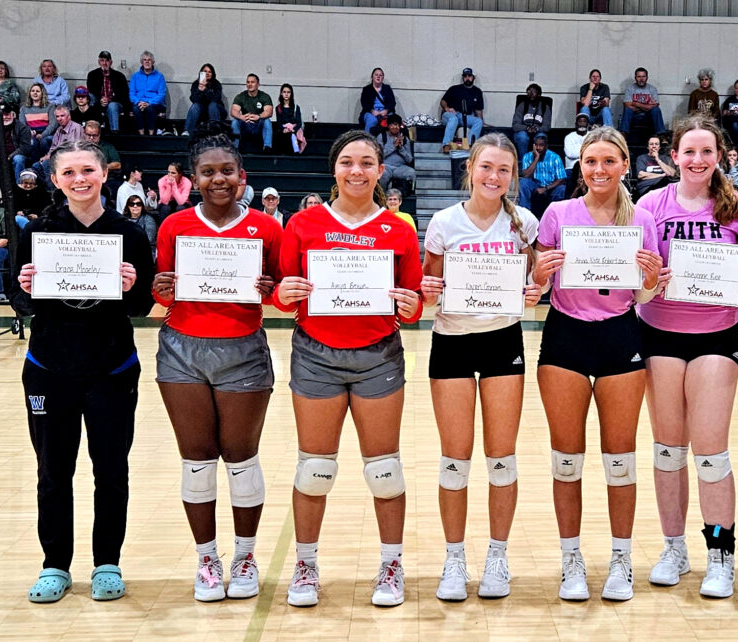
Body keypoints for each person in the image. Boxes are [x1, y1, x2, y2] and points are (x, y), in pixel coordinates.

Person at [274, 130, 423, 608]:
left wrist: (410, 304)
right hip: (316, 352)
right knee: (314, 468)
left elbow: (414, 304)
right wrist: (284, 295)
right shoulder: (303, 223)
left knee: (385, 471)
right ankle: (306, 565)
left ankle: (391, 565)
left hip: (378, 354)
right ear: (334, 169)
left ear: (381, 171)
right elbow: (279, 292)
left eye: (366, 163)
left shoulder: (399, 228)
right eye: (347, 162)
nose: (356, 171)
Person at [14, 138, 155, 603]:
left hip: (112, 369)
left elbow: (141, 304)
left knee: (111, 471)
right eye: (69, 172)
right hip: (49, 367)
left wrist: (134, 287)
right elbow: (22, 301)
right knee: (53, 471)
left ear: (104, 175)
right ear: (55, 180)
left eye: (87, 171)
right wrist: (26, 286)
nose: (80, 180)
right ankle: (55, 565)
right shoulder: (39, 231)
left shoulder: (130, 234)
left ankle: (107, 563)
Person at [152, 123, 284, 602]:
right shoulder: (174, 226)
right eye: (208, 172)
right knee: (197, 461)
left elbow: (286, 295)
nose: (219, 179)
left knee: (241, 459)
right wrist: (159, 289)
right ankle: (207, 558)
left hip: (243, 348)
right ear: (194, 179)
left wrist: (273, 291)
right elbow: (161, 288)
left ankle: (244, 555)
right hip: (182, 349)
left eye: (227, 170)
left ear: (242, 175)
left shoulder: (267, 228)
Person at [531, 127, 662, 602]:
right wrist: (539, 273)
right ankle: (571, 561)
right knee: (566, 461)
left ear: (625, 165)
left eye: (609, 161)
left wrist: (650, 279)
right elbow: (539, 288)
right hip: (565, 337)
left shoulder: (642, 219)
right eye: (591, 161)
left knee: (620, 460)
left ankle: (622, 561)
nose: (600, 170)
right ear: (579, 166)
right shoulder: (558, 213)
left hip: (620, 337)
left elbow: (647, 295)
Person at [635, 115, 738, 599]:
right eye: (688, 151)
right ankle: (674, 548)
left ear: (721, 156)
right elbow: (637, 282)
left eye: (707, 152)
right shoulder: (649, 205)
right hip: (660, 335)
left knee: (710, 454)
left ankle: (720, 556)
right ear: (672, 155)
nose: (697, 160)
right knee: (668, 451)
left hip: (715, 337)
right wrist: (650, 280)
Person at [420, 133, 542, 601]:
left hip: (502, 342)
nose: (494, 177)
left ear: (513, 176)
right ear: (470, 167)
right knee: (455, 461)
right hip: (451, 343)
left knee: (501, 458)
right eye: (487, 167)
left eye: (504, 170)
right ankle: (454, 560)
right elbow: (431, 285)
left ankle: (497, 556)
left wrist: (535, 292)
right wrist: (430, 292)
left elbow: (533, 284)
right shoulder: (444, 222)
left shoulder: (523, 223)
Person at [34, 105, 84, 190]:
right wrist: (47, 156)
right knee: (36, 166)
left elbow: (75, 148)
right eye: (57, 116)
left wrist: (52, 157)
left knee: (47, 164)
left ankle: (54, 192)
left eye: (62, 116)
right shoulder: (58, 130)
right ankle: (50, 189)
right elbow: (53, 147)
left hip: (71, 159)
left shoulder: (77, 128)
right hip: (57, 158)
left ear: (68, 116)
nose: (59, 119)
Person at [518, 132, 566, 213]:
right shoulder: (527, 156)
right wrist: (536, 158)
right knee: (523, 183)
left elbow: (561, 179)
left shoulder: (555, 157)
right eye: (536, 145)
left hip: (550, 186)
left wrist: (545, 188)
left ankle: (557, 214)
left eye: (541, 145)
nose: (538, 148)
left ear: (546, 146)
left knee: (561, 189)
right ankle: (525, 214)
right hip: (535, 186)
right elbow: (526, 175)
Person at [440, 68, 484, 153]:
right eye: (465, 76)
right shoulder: (454, 89)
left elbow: (479, 111)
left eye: (469, 76)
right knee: (453, 119)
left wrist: (482, 122)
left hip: (464, 117)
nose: (467, 78)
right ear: (463, 78)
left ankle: (471, 145)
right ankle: (446, 145)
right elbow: (443, 101)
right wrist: (447, 108)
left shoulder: (477, 92)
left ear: (473, 77)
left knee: (478, 121)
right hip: (450, 114)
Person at [86, 51, 130, 132]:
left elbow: (123, 94)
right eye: (102, 60)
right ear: (99, 62)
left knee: (112, 106)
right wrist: (101, 99)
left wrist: (109, 100)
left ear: (111, 62)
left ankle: (115, 134)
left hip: (115, 103)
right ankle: (91, 131)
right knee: (90, 97)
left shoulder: (119, 76)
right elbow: (92, 90)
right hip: (98, 102)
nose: (104, 63)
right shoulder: (92, 75)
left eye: (107, 60)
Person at [0, 103, 32, 180]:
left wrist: (9, 157)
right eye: (3, 115)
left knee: (18, 159)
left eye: (8, 114)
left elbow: (25, 147)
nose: (5, 117)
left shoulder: (22, 127)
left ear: (13, 115)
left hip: (15, 156)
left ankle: (19, 186)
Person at [231, 74, 273, 153]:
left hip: (258, 125)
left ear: (258, 84)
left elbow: (269, 112)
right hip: (245, 124)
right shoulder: (241, 96)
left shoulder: (264, 96)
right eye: (248, 82)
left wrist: (258, 116)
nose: (250, 84)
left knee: (267, 121)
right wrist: (241, 116)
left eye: (252, 82)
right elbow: (233, 111)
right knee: (235, 121)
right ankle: (234, 148)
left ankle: (267, 147)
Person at [129, 51, 167, 136]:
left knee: (150, 108)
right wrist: (139, 102)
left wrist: (149, 103)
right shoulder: (135, 76)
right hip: (139, 102)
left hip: (155, 103)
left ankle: (151, 134)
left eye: (149, 60)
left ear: (153, 62)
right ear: (141, 62)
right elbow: (132, 94)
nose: (147, 62)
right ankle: (141, 134)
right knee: (136, 109)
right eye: (144, 60)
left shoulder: (159, 76)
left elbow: (161, 94)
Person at [511, 83, 552, 159]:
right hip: (523, 131)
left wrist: (536, 129)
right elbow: (515, 125)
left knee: (541, 137)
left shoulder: (545, 107)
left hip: (539, 132)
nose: (530, 93)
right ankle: (524, 162)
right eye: (529, 91)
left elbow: (547, 127)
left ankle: (539, 162)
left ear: (539, 94)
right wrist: (527, 128)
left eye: (533, 91)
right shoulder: (522, 105)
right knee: (522, 137)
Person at [184, 63, 227, 135]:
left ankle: (215, 131)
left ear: (213, 74)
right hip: (202, 111)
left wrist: (206, 90)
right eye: (205, 71)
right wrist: (199, 90)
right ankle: (188, 131)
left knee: (212, 105)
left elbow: (217, 99)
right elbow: (194, 99)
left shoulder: (216, 84)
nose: (207, 73)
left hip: (217, 110)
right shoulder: (196, 84)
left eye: (210, 72)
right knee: (195, 106)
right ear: (201, 73)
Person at [620, 67, 665, 135]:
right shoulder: (630, 88)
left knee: (656, 110)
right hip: (634, 116)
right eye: (639, 77)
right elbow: (626, 104)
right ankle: (624, 134)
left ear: (647, 78)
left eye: (643, 76)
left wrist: (636, 104)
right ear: (635, 78)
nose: (641, 79)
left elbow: (655, 105)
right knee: (628, 110)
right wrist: (646, 106)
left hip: (648, 116)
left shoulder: (652, 89)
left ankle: (661, 135)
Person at [20, 83, 58, 160]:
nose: (35, 93)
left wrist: (43, 134)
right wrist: (29, 132)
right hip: (31, 134)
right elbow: (22, 124)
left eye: (38, 91)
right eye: (33, 91)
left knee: (44, 142)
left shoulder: (50, 106)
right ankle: (35, 166)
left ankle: (46, 163)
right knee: (33, 143)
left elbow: (53, 124)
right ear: (29, 93)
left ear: (42, 93)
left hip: (47, 133)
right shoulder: (24, 108)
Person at [378, 115, 415, 190]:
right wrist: (393, 146)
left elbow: (409, 159)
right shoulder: (382, 137)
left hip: (399, 167)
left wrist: (401, 148)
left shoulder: (405, 139)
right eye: (392, 125)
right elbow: (379, 155)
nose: (395, 127)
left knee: (411, 173)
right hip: (386, 166)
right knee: (383, 174)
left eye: (397, 125)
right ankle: (382, 197)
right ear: (388, 126)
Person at [360, 68, 397, 133]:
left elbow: (392, 103)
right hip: (371, 112)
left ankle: (391, 141)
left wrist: (386, 110)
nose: (378, 76)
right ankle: (368, 141)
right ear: (372, 77)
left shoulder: (387, 88)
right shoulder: (367, 89)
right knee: (371, 120)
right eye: (376, 75)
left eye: (380, 75)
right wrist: (372, 111)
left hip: (385, 112)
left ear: (383, 78)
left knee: (393, 120)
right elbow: (364, 103)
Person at [123, 195, 157, 262]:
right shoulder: (123, 220)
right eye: (132, 204)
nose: (135, 206)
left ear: (142, 206)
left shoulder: (149, 220)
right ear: (128, 206)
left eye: (138, 204)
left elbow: (149, 239)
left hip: (146, 251)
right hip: (127, 251)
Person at [275, 84, 306, 154]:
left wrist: (293, 129)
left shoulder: (296, 107)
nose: (286, 94)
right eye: (284, 92)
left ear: (291, 94)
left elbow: (299, 122)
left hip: (294, 130)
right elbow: (279, 122)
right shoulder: (278, 108)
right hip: (284, 129)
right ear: (281, 93)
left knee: (292, 136)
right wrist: (283, 129)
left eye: (288, 92)